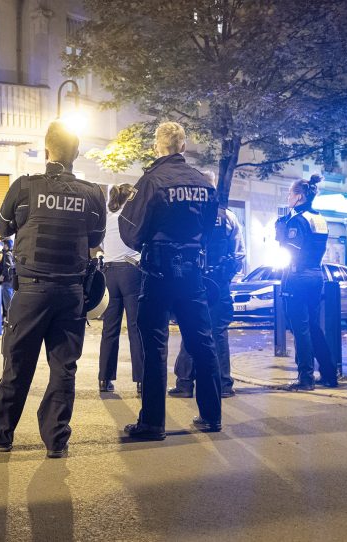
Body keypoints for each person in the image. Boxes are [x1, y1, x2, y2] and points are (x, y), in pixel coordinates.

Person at [0, 120, 106, 458]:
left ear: (47, 151)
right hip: (72, 292)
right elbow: (96, 238)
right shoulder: (92, 194)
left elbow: (1, 225)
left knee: (17, 363)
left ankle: (0, 435)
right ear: (76, 154)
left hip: (32, 291)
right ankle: (57, 440)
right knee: (64, 368)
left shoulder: (25, 188)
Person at [119, 121, 222, 440]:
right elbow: (211, 228)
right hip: (193, 272)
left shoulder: (151, 180)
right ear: (183, 146)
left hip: (159, 270)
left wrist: (149, 244)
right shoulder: (203, 183)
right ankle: (211, 415)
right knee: (202, 340)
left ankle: (152, 423)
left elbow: (130, 229)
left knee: (154, 343)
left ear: (157, 147)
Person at [169, 172, 245, 399]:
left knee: (190, 329)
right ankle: (223, 384)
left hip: (194, 280)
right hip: (219, 284)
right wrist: (226, 276)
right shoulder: (229, 217)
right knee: (218, 332)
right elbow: (239, 253)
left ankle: (184, 383)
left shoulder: (189, 215)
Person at [275, 175, 338, 391]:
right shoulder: (319, 218)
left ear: (299, 197)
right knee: (313, 326)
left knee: (300, 328)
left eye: (290, 193)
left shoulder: (297, 220)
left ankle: (305, 378)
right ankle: (329, 374)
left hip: (297, 276)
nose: (288, 197)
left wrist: (281, 235)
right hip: (316, 275)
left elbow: (290, 251)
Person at [98, 183, 144, 396]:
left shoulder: (107, 218)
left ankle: (104, 378)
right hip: (131, 271)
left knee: (110, 328)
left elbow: (99, 245)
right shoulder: (132, 218)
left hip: (109, 273)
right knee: (136, 328)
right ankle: (141, 381)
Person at [0, 239, 15, 320]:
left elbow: (8, 266)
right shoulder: (11, 253)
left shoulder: (7, 254)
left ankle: (9, 320)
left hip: (7, 280)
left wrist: (3, 275)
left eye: (4, 244)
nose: (3, 246)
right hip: (11, 280)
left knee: (7, 302)